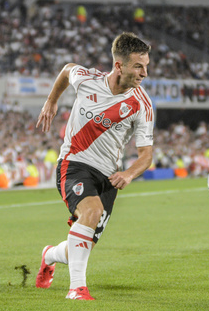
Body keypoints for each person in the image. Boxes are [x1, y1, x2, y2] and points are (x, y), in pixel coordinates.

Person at [35, 32, 154, 300]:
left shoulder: (141, 104)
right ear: (119, 65)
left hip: (108, 177)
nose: (144, 73)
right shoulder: (88, 80)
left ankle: (50, 255)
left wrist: (129, 173)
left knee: (81, 244)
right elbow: (67, 70)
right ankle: (77, 289)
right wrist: (52, 100)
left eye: (146, 66)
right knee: (91, 211)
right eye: (138, 65)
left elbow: (146, 155)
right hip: (73, 163)